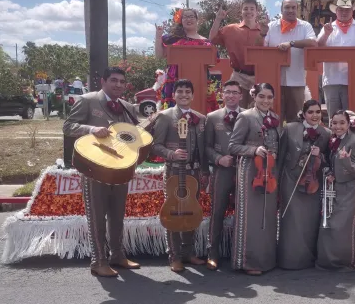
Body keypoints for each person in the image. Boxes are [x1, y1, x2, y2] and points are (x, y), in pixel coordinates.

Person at [62, 67, 142, 277]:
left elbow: (134, 135)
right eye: (113, 80)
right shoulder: (87, 100)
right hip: (94, 167)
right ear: (103, 81)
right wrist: (91, 129)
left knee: (117, 215)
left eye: (122, 82)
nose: (118, 85)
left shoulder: (127, 107)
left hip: (120, 168)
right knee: (97, 216)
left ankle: (117, 255)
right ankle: (98, 261)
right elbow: (68, 127)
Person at [151, 79, 208, 273]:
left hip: (194, 171)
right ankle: (174, 256)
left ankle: (189, 253)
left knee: (191, 210)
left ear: (193, 95)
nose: (184, 95)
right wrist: (170, 154)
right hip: (174, 170)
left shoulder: (200, 118)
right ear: (173, 95)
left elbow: (204, 149)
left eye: (187, 91)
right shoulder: (165, 117)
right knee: (173, 211)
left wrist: (205, 172)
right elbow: (155, 145)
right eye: (180, 91)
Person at [228, 82, 281, 275]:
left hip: (270, 170)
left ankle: (266, 260)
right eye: (262, 96)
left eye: (269, 97)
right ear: (254, 97)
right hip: (251, 169)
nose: (265, 101)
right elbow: (233, 146)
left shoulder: (275, 118)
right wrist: (253, 150)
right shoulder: (246, 116)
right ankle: (248, 261)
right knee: (250, 215)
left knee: (267, 215)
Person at [277, 99, 331, 270]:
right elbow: (280, 156)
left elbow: (328, 161)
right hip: (290, 178)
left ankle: (307, 259)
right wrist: (276, 181)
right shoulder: (290, 128)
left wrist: (320, 156)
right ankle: (288, 259)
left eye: (318, 112)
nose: (315, 115)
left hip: (311, 182)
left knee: (309, 220)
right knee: (291, 220)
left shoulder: (326, 133)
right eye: (311, 112)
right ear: (303, 113)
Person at [316, 110, 355, 271]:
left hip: (353, 189)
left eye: (342, 123)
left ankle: (352, 261)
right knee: (334, 225)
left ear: (348, 124)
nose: (338, 126)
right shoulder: (334, 140)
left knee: (347, 227)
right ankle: (332, 260)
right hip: (339, 186)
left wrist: (346, 162)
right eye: (335, 123)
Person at [203, 80, 244, 270]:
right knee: (217, 210)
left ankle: (241, 252)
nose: (231, 96)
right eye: (227, 92)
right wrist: (219, 159)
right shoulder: (212, 117)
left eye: (235, 92)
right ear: (222, 94)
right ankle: (213, 252)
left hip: (245, 170)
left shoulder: (249, 116)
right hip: (222, 170)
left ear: (241, 95)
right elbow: (206, 147)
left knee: (244, 212)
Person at [209, 0, 270, 109]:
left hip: (258, 77)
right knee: (234, 110)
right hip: (238, 76)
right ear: (241, 12)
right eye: (245, 9)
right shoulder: (230, 29)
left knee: (256, 113)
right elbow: (212, 39)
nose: (249, 11)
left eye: (252, 9)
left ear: (257, 12)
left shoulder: (265, 30)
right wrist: (218, 19)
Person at [154, 8, 219, 112]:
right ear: (181, 20)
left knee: (201, 111)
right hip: (175, 80)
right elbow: (159, 55)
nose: (188, 19)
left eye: (191, 16)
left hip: (200, 82)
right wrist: (158, 37)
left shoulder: (206, 43)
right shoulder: (173, 39)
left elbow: (212, 63)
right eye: (185, 17)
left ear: (197, 20)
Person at [265, 0, 318, 123]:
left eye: (293, 8)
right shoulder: (271, 27)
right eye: (287, 7)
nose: (290, 10)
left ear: (297, 9)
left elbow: (313, 42)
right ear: (281, 9)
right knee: (272, 120)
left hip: (296, 81)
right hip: (274, 82)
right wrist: (261, 33)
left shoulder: (305, 26)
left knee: (295, 122)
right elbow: (260, 46)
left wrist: (291, 43)